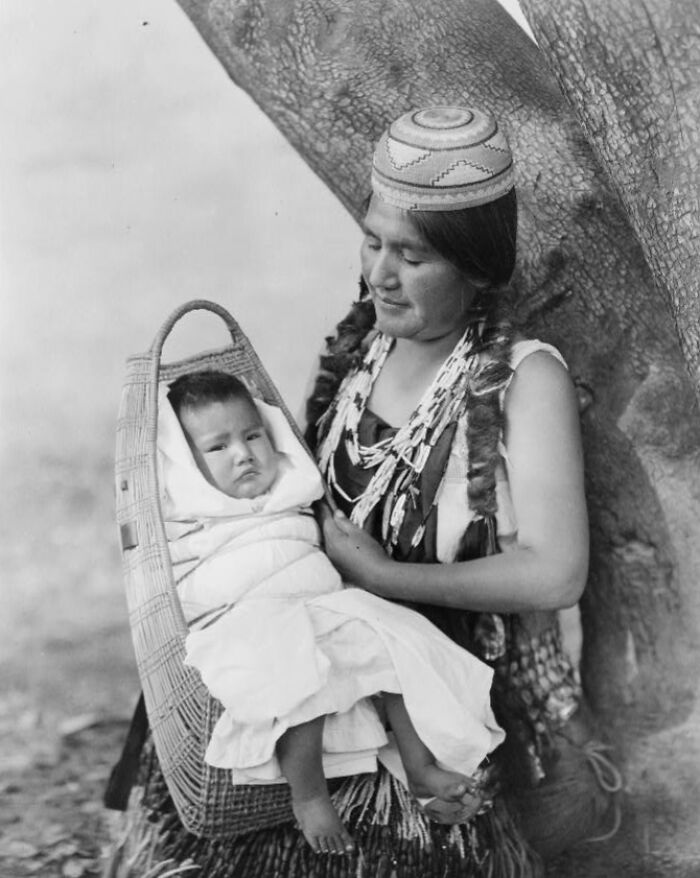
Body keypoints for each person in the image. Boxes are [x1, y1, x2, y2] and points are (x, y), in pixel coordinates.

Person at [106, 105, 620, 877]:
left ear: (476, 265)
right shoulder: (366, 344)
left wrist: (383, 577)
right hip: (313, 634)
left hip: (428, 670)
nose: (379, 274)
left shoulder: (524, 376)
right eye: (374, 242)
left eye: (411, 257)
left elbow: (557, 572)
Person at [158, 368, 504, 854]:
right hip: (252, 623)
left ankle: (421, 766)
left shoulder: (293, 490)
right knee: (298, 675)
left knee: (399, 640)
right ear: (186, 464)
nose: (243, 454)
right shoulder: (187, 514)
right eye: (217, 448)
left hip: (324, 605)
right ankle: (310, 796)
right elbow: (180, 579)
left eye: (253, 435)